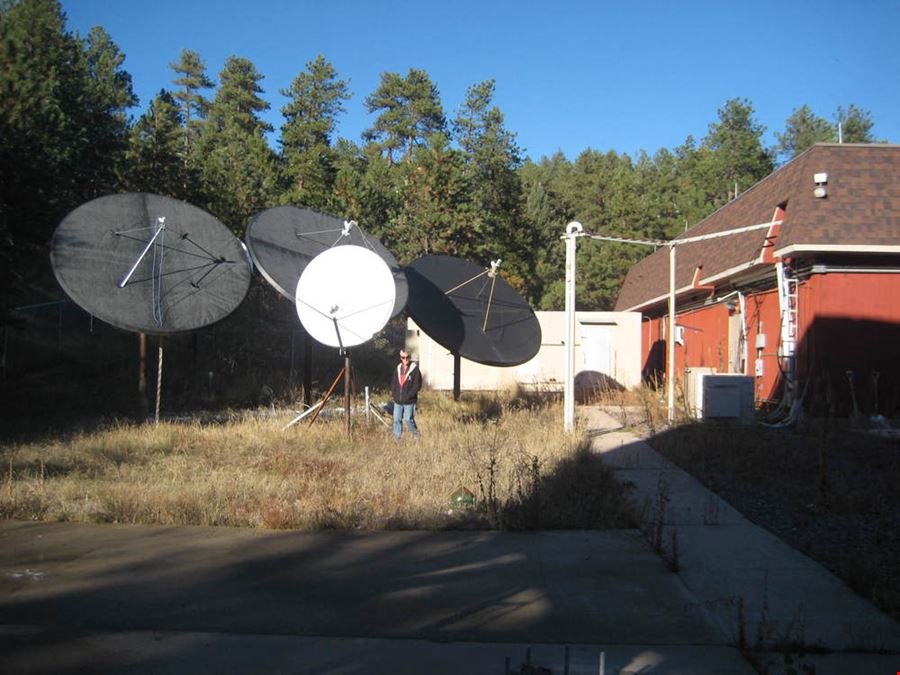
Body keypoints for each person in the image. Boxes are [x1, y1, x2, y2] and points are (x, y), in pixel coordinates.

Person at [391, 349, 422, 439]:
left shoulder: (415, 370)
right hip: (398, 400)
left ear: (410, 357)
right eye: (403, 357)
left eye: (407, 357)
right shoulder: (398, 368)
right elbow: (394, 383)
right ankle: (397, 438)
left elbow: (417, 385)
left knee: (408, 419)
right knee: (396, 419)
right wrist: (394, 394)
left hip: (409, 401)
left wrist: (409, 396)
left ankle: (417, 436)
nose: (405, 359)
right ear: (400, 358)